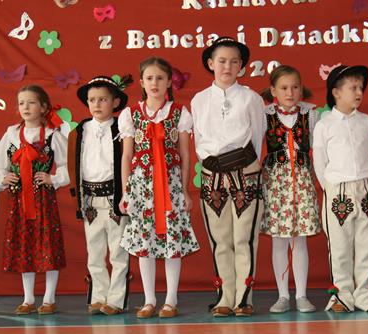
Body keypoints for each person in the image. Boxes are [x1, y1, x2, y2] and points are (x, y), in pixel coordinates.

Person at [119, 57, 199, 318]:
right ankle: (149, 299)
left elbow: (185, 154)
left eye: (160, 78)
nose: (155, 83)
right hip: (142, 186)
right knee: (146, 241)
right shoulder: (131, 114)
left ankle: (171, 299)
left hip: (171, 184)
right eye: (150, 78)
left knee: (172, 240)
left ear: (169, 82)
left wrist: (185, 190)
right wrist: (126, 192)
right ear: (142, 82)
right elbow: (127, 155)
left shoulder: (179, 113)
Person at [191, 37, 265, 317]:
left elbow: (257, 137)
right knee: (220, 239)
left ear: (241, 66)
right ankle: (225, 295)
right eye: (221, 61)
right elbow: (199, 139)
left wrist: (246, 166)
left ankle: (244, 297)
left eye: (234, 61)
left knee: (244, 237)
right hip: (212, 173)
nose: (227, 66)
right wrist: (211, 165)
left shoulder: (251, 98)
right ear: (211, 64)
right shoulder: (199, 100)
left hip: (245, 170)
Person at [0, 85, 69, 315]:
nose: (25, 107)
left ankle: (49, 298)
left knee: (48, 245)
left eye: (31, 102)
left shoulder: (53, 134)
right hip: (19, 201)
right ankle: (28, 298)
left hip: (43, 199)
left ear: (43, 107)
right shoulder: (11, 134)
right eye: (21, 103)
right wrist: (4, 176)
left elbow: (68, 165)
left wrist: (53, 178)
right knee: (24, 245)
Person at [313, 64, 368, 313]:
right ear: (336, 92)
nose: (359, 92)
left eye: (361, 87)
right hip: (337, 190)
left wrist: (363, 179)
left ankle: (364, 294)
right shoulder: (325, 125)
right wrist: (331, 188)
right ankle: (342, 295)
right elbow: (320, 161)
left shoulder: (367, 122)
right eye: (353, 87)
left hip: (366, 187)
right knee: (340, 246)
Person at [260, 65, 321, 313]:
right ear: (273, 90)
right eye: (284, 88)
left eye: (295, 87)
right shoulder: (265, 115)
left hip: (302, 183)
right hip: (276, 184)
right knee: (279, 241)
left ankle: (302, 295)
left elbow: (320, 149)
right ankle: (283, 295)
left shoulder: (311, 114)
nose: (290, 92)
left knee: (300, 240)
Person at [70, 75, 131, 315]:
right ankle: (98, 296)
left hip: (115, 198)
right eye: (92, 99)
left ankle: (115, 299)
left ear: (115, 103)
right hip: (90, 199)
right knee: (94, 251)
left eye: (103, 99)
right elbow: (75, 164)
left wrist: (127, 194)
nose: (97, 104)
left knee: (118, 251)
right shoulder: (80, 130)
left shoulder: (122, 129)